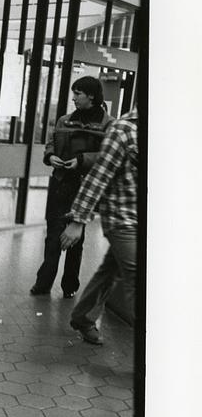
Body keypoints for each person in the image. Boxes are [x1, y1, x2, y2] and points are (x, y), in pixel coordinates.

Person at [59, 107, 138, 345]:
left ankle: (83, 317)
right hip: (123, 218)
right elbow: (98, 176)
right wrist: (78, 220)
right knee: (139, 277)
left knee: (110, 270)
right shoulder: (124, 129)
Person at [30, 76, 114, 299]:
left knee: (76, 239)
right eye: (74, 92)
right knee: (53, 235)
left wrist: (81, 159)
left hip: (84, 187)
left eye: (78, 93)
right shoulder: (64, 121)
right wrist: (51, 156)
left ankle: (70, 285)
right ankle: (44, 283)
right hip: (60, 183)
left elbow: (107, 155)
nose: (74, 97)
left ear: (91, 96)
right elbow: (51, 142)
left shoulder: (108, 125)